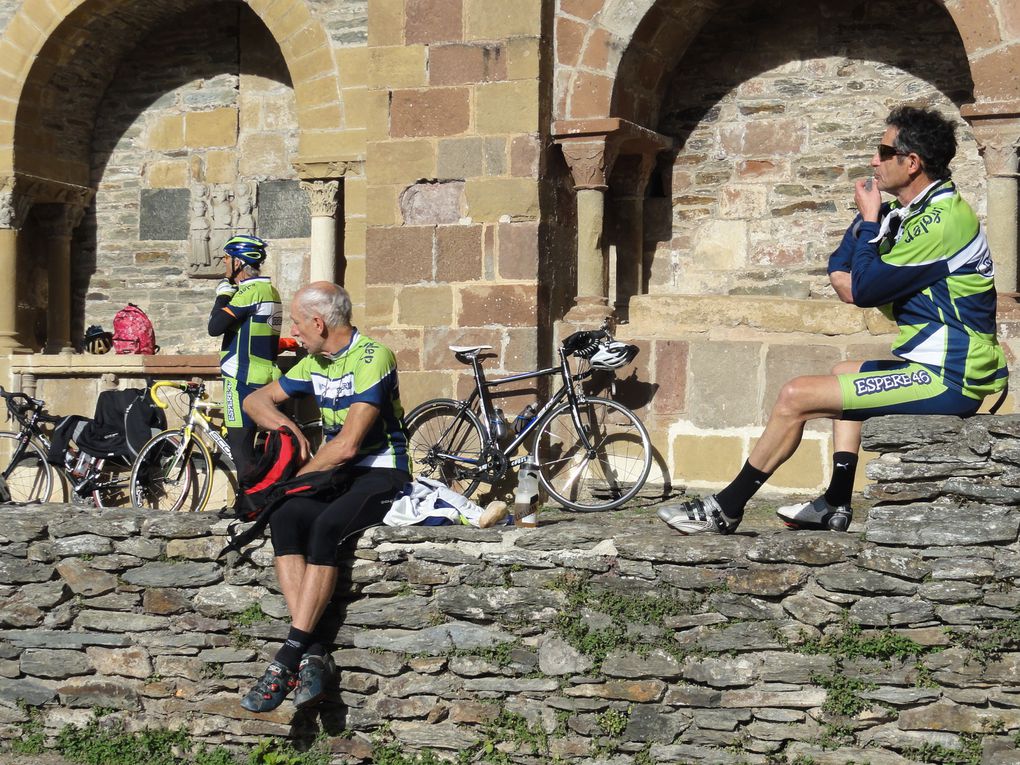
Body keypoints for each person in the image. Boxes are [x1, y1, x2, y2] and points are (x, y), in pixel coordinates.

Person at [658, 105, 1008, 536]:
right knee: (843, 372)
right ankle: (836, 502)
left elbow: (859, 290)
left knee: (795, 396)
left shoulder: (942, 221)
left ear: (911, 162)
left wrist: (867, 221)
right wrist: (870, 226)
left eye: (883, 151)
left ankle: (726, 507)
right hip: (936, 367)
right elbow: (842, 272)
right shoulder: (906, 214)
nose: (873, 161)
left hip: (952, 376)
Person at [238, 281, 410, 712]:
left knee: (327, 527)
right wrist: (288, 430)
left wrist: (291, 479)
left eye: (297, 323)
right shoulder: (315, 361)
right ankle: (315, 652)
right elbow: (256, 401)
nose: (293, 333)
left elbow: (350, 444)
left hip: (380, 470)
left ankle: (288, 656)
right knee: (286, 516)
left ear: (318, 322)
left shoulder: (372, 357)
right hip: (337, 471)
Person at [208, 235, 282, 476]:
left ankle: (248, 507)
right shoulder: (270, 290)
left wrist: (222, 295)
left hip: (240, 377)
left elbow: (215, 326)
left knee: (241, 448)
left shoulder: (249, 292)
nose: (224, 262)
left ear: (238, 262)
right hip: (265, 374)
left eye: (227, 257)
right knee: (258, 451)